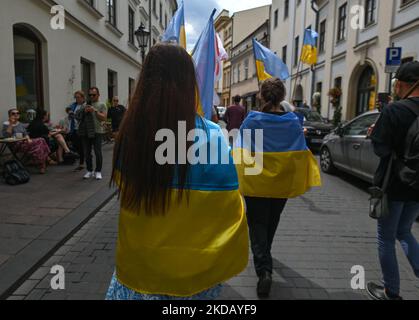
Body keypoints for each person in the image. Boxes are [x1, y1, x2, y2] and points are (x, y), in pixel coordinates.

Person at [106, 43, 249, 301]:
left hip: (138, 269)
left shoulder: (129, 133)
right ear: (188, 84)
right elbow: (228, 205)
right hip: (195, 276)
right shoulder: (214, 136)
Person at [232, 78, 322, 298]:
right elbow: (301, 153)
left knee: (257, 224)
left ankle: (264, 269)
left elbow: (239, 150)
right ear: (282, 97)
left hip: (256, 184)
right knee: (272, 221)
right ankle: (265, 254)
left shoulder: (252, 120)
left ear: (261, 96)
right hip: (281, 183)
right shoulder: (293, 122)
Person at [368, 61, 419, 300]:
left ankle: (391, 291)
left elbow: (381, 149)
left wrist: (375, 133)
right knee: (405, 231)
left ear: (401, 85)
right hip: (417, 186)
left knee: (386, 238)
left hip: (393, 184)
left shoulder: (394, 110)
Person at [2, 108, 50, 174]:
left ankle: (42, 164)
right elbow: (6, 135)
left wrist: (28, 139)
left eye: (17, 113)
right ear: (9, 115)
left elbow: (26, 134)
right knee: (41, 140)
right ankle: (43, 163)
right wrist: (11, 123)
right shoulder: (6, 124)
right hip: (15, 144)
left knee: (41, 141)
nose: (16, 114)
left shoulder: (20, 124)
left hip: (24, 143)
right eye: (13, 113)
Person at [76, 87, 107, 180]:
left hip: (97, 131)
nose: (92, 96)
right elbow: (78, 117)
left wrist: (95, 111)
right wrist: (84, 111)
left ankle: (98, 171)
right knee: (87, 153)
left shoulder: (102, 104)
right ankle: (89, 170)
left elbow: (104, 118)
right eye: (90, 95)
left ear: (98, 95)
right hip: (86, 132)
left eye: (94, 95)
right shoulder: (85, 104)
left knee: (98, 152)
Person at [67, 91, 86, 171]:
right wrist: (69, 111)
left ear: (82, 97)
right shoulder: (74, 105)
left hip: (82, 129)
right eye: (76, 97)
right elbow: (68, 108)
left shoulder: (85, 105)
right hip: (74, 128)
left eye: (78, 97)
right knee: (76, 145)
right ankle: (84, 157)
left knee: (81, 146)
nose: (77, 99)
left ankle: (81, 164)